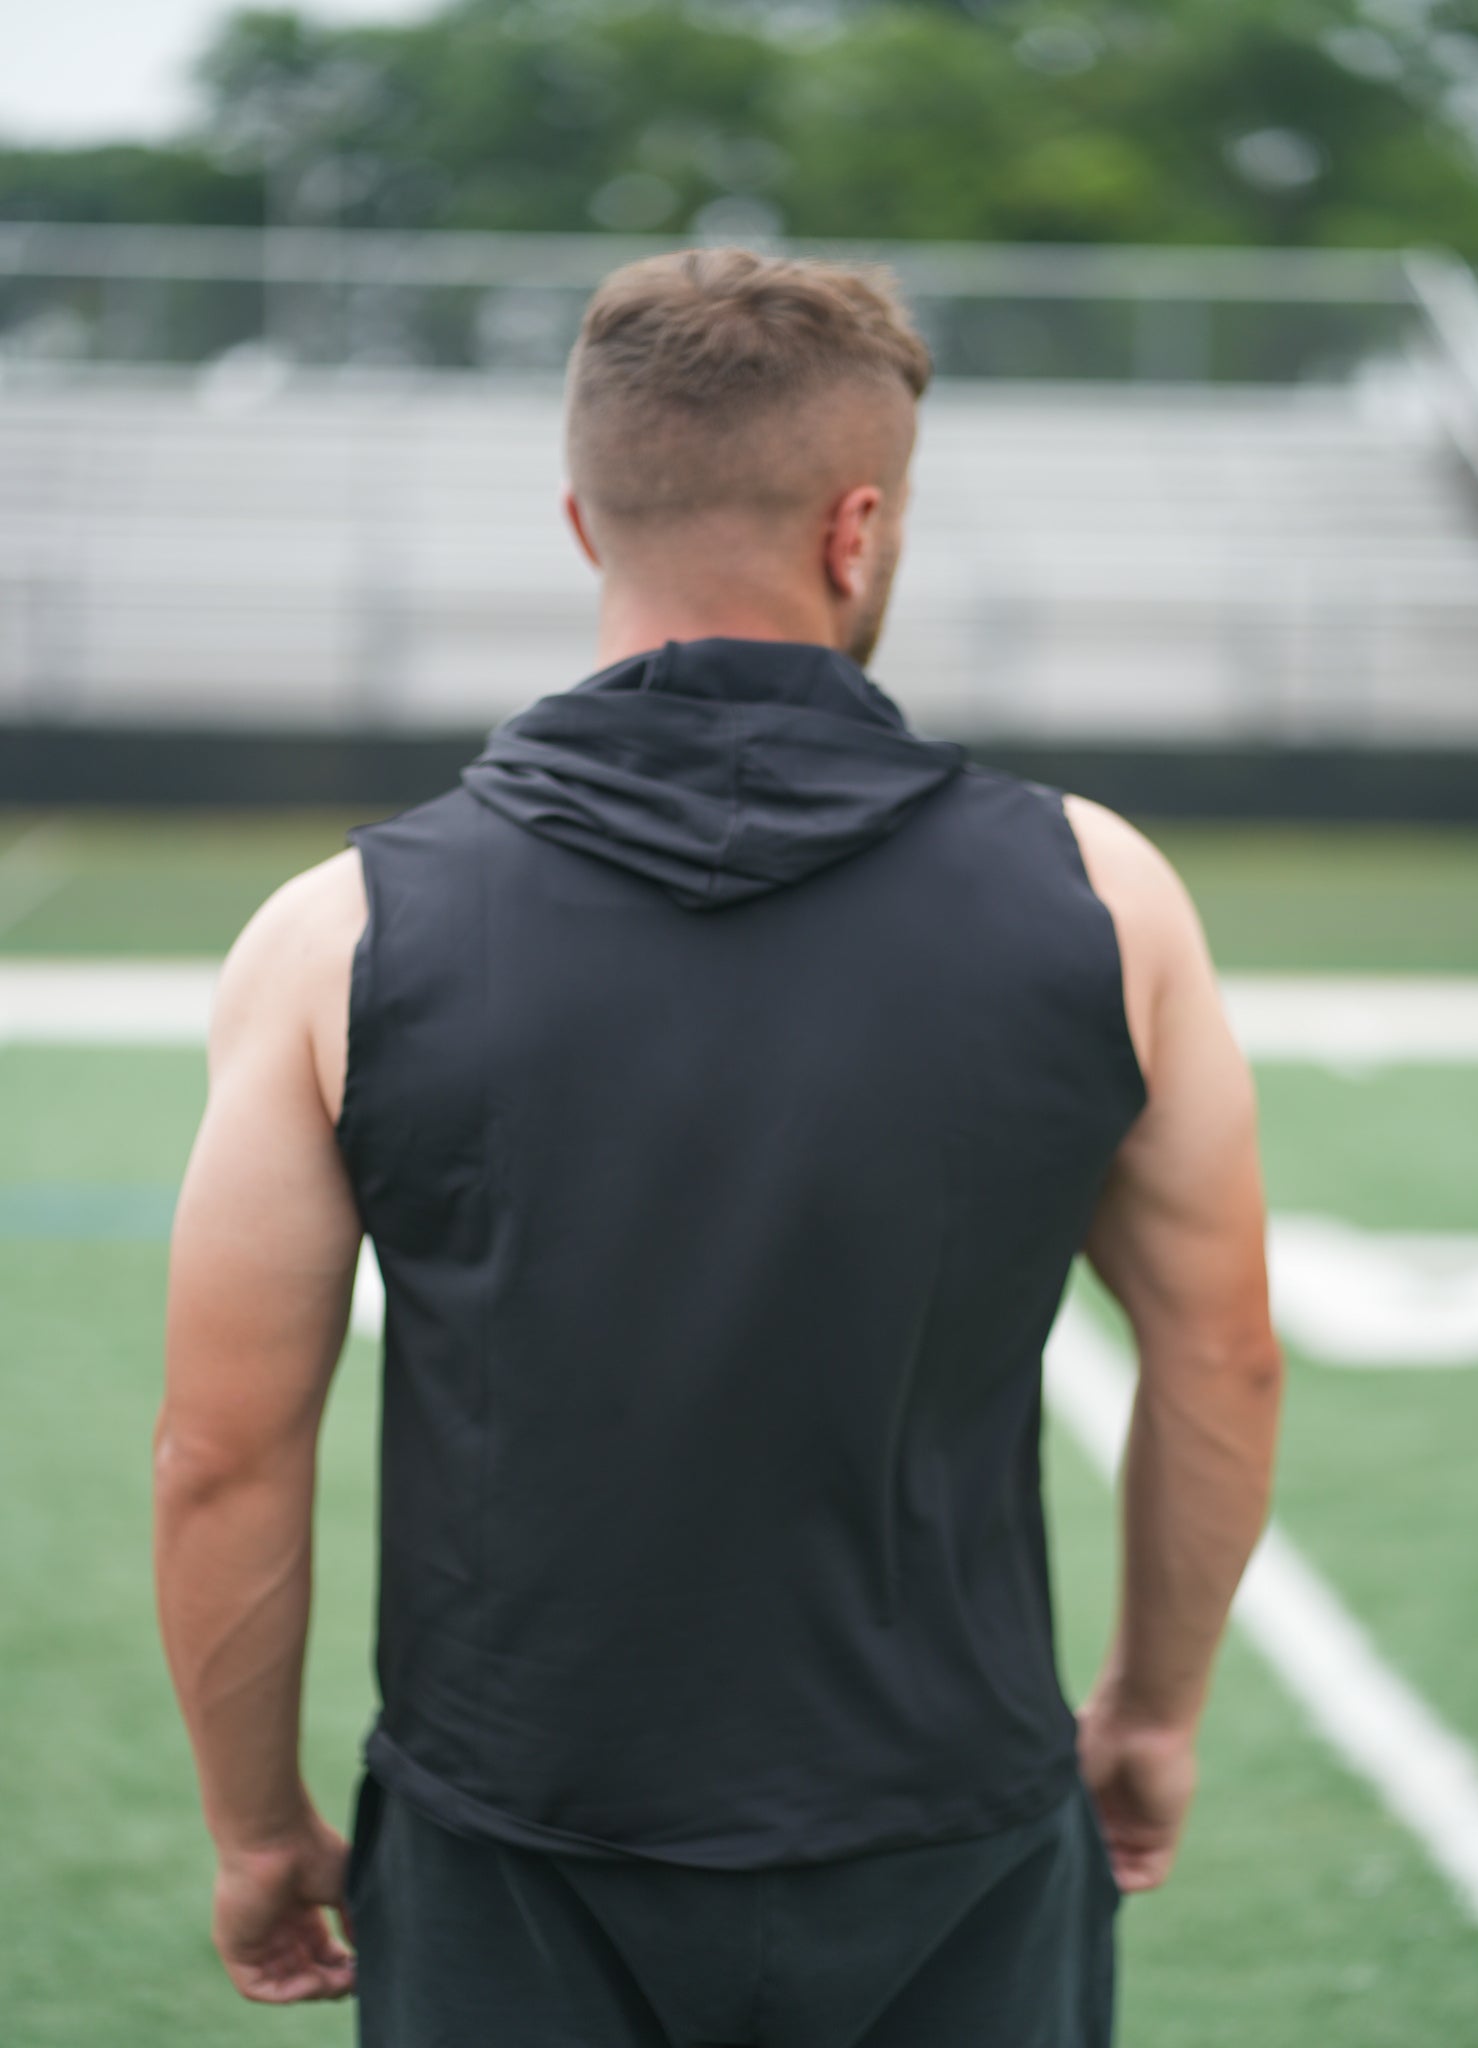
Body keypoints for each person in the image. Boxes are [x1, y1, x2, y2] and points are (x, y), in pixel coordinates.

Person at [153, 247, 1283, 2046]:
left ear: (586, 523)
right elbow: (1219, 1354)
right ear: (858, 531)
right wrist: (1151, 1715)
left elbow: (224, 1449)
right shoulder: (1107, 894)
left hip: (514, 1835)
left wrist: (250, 1823)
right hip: (957, 1831)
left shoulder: (337, 932)